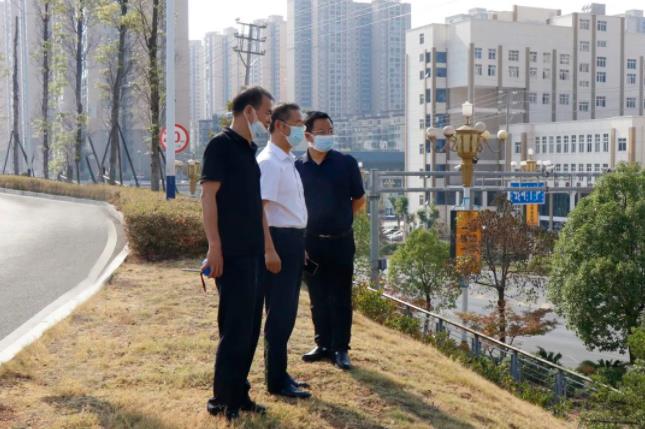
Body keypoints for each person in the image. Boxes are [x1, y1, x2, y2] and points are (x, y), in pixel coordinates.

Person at [200, 86, 278, 421]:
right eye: (266, 112)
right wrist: (214, 246)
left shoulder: (249, 150)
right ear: (248, 111)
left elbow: (256, 205)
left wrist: (267, 245)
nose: (268, 119)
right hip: (231, 254)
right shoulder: (220, 146)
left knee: (250, 328)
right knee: (234, 328)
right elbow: (208, 197)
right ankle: (222, 400)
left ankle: (240, 393)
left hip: (254, 253)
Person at [296, 111, 366, 370]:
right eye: (321, 132)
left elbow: (359, 199)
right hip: (310, 242)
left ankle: (341, 348)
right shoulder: (297, 167)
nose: (327, 136)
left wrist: (342, 218)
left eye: (330, 131)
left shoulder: (346, 163)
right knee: (317, 296)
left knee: (341, 296)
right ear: (308, 136)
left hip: (341, 241)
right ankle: (322, 343)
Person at [257, 103, 312, 399]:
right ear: (280, 125)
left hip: (292, 241)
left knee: (287, 312)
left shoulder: (287, 160)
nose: (303, 129)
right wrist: (270, 249)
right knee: (279, 314)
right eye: (299, 123)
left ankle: (281, 373)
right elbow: (261, 210)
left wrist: (298, 246)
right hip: (278, 241)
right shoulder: (269, 162)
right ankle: (275, 380)